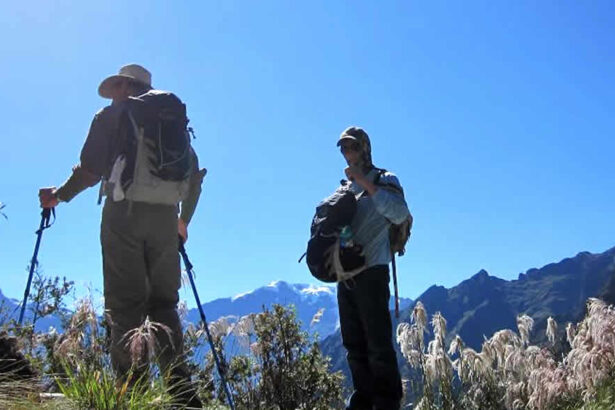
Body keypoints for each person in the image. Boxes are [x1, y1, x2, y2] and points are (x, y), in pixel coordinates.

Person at [38, 64, 205, 407]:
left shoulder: (111, 116)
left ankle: (133, 395)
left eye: (116, 86)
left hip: (123, 216)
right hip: (165, 220)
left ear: (125, 86)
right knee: (164, 306)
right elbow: (194, 178)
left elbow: (90, 171)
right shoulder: (168, 118)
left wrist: (59, 195)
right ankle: (182, 395)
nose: (113, 92)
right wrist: (182, 222)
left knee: (125, 308)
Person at [335, 126, 410, 410]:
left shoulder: (384, 178)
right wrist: (345, 242)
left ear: (364, 148)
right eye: (343, 149)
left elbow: (400, 212)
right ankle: (363, 400)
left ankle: (388, 402)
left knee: (378, 344)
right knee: (353, 344)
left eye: (352, 147)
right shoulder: (343, 188)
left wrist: (366, 185)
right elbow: (343, 226)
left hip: (374, 270)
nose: (347, 154)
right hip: (347, 273)